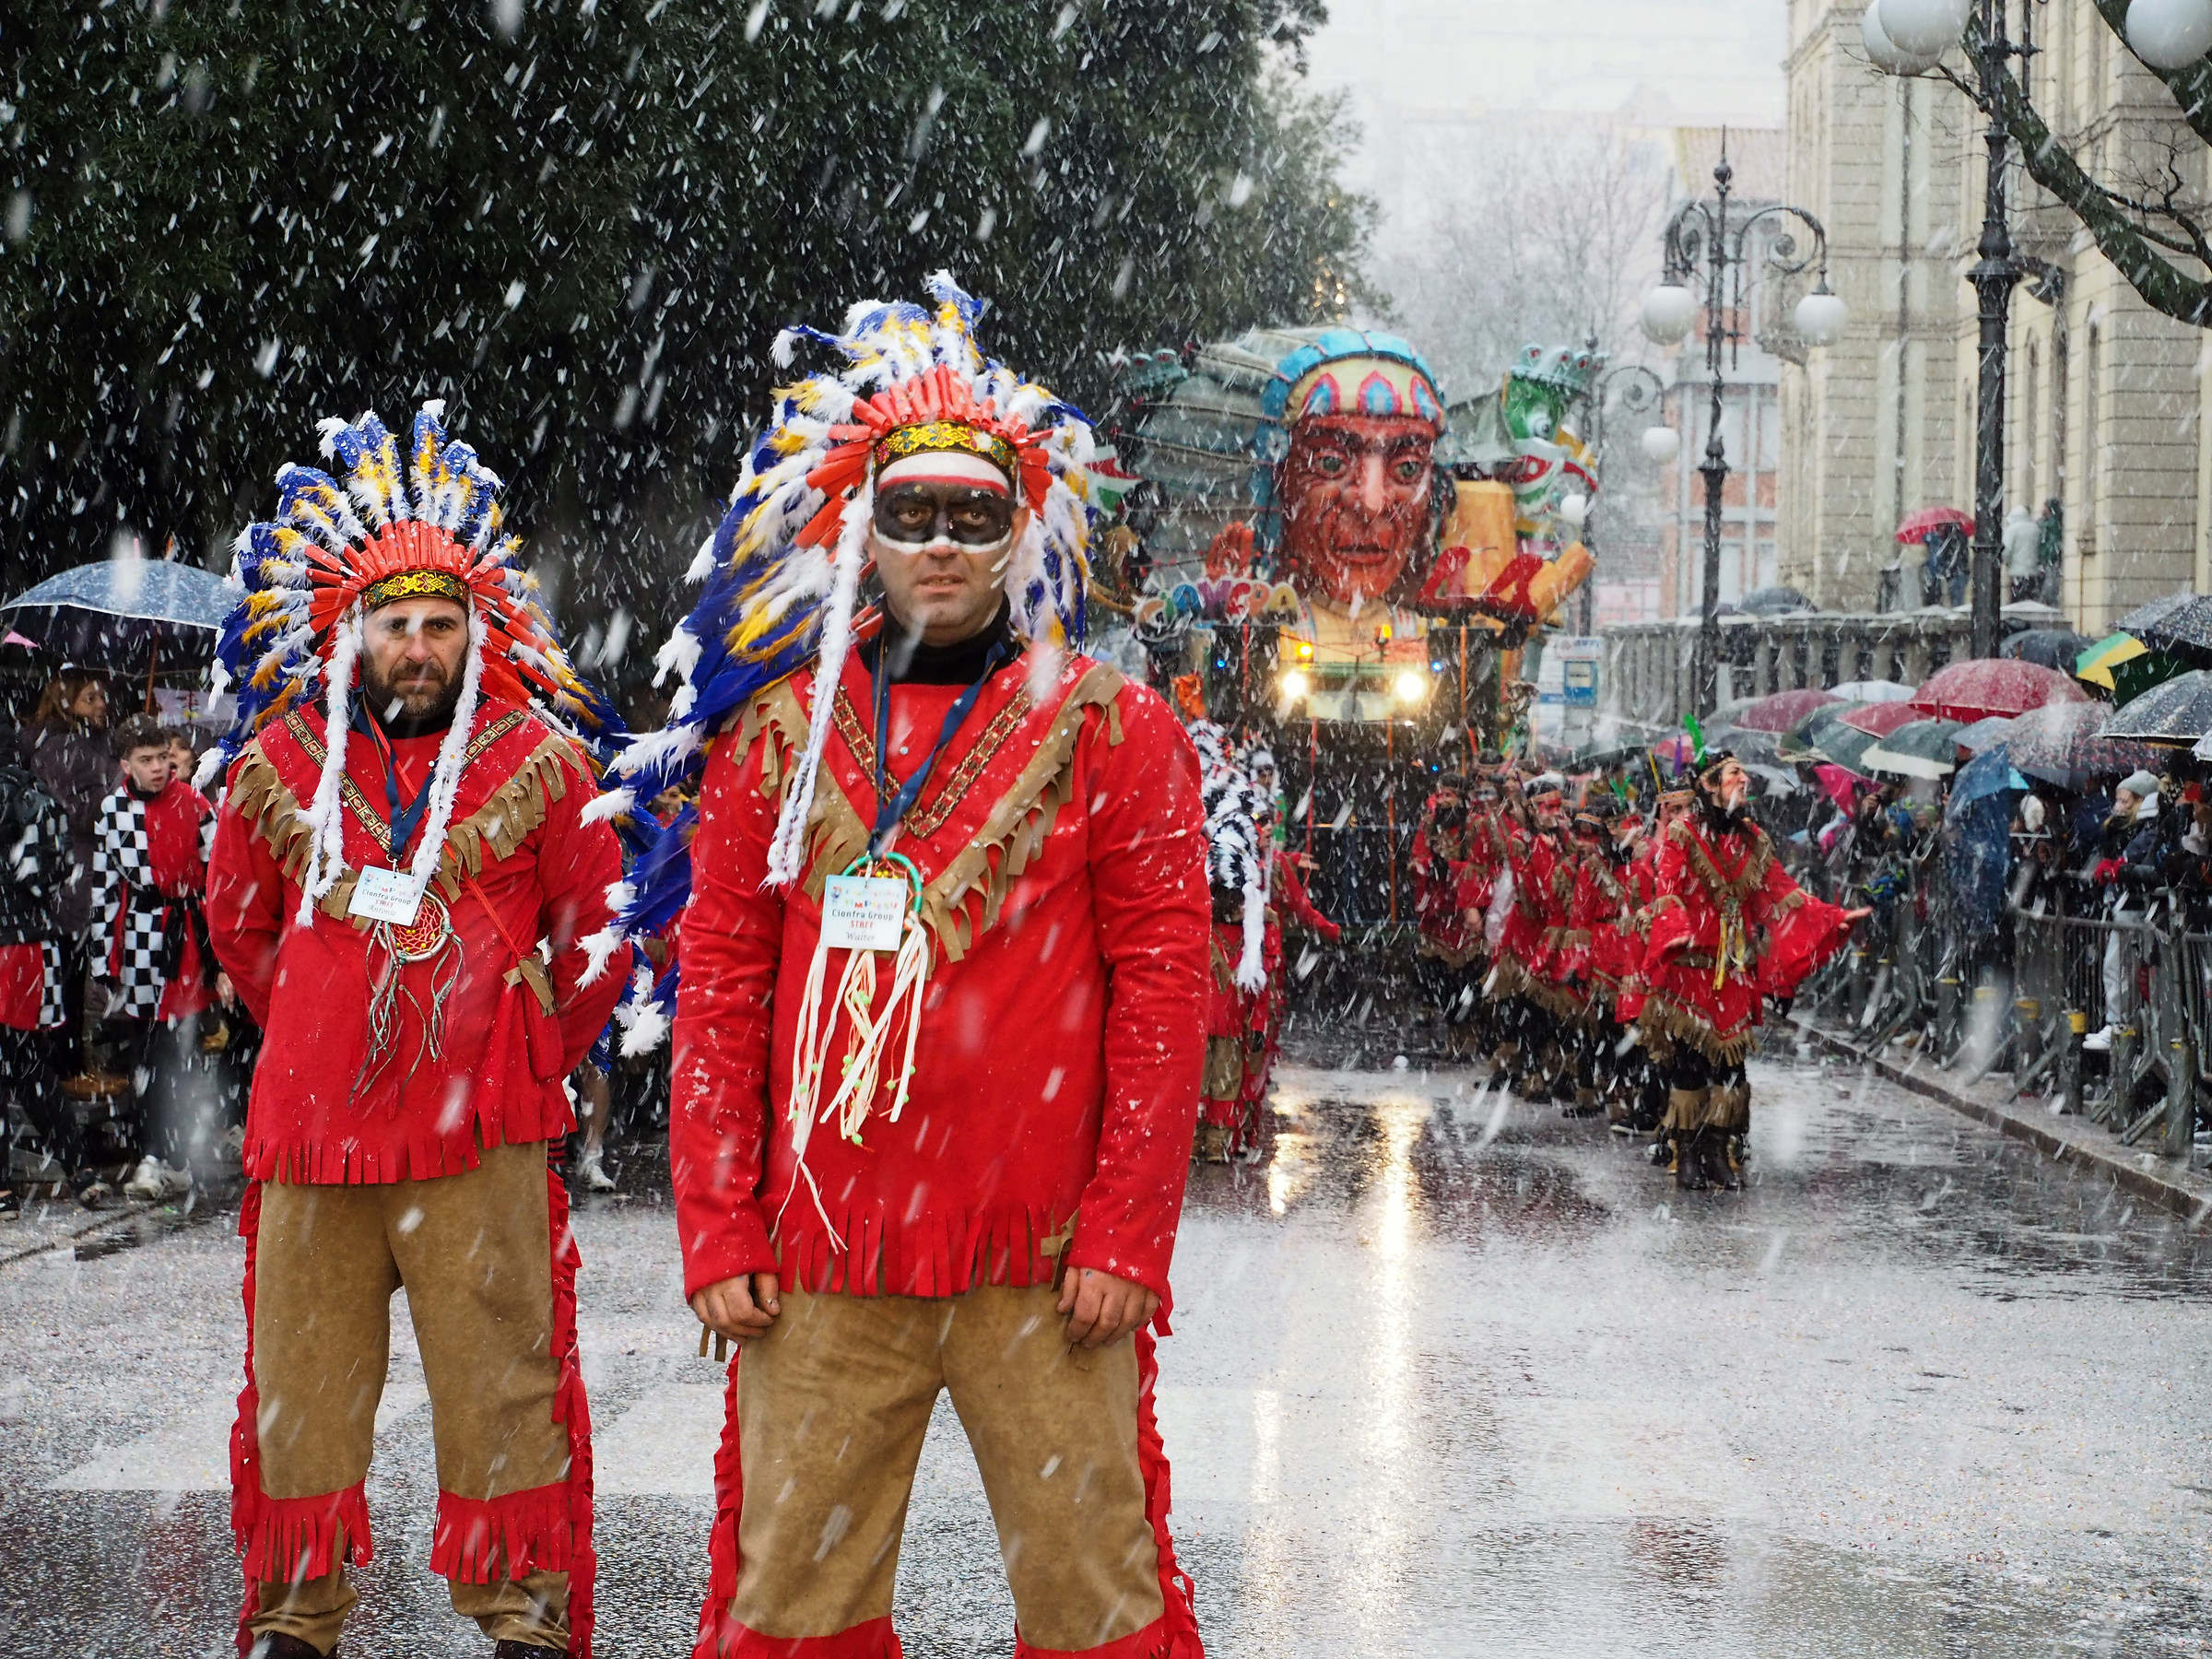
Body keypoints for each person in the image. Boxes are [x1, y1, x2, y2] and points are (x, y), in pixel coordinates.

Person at [610, 276, 1209, 1659]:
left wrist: (1126, 1233)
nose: (941, 548)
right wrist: (717, 1223)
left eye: (975, 517)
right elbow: (723, 980)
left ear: (1024, 531)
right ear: (857, 535)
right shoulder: (773, 735)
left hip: (1047, 1263)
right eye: (911, 516)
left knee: (1094, 1606)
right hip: (822, 1257)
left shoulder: (1119, 734)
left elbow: (1166, 994)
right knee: (796, 1609)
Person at [204, 403, 624, 1659]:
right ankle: (297, 1617)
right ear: (353, 634)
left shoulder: (543, 761)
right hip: (314, 1141)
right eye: (397, 624)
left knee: (503, 1385)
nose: (419, 646)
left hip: (478, 1141)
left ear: (476, 635)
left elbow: (593, 937)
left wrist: (529, 1052)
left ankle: (519, 1614)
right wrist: (321, 1029)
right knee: (301, 1397)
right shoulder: (276, 760)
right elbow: (238, 927)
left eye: (442, 624)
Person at [1640, 753, 1867, 1190]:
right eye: (1733, 774)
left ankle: (1717, 1151)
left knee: (1731, 1071)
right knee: (1689, 1066)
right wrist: (1677, 930)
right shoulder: (1681, 835)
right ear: (1709, 785)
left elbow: (1781, 894)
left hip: (1733, 973)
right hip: (1690, 969)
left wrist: (1830, 918)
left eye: (1743, 773)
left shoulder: (1753, 840)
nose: (1744, 780)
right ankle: (1686, 1154)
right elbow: (1665, 890)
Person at [88, 712, 215, 1200]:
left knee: (177, 1053)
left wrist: (217, 953)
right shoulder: (113, 811)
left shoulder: (196, 803)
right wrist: (103, 959)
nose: (159, 767)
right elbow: (109, 887)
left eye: (163, 757)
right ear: (126, 764)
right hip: (141, 940)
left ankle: (169, 1155)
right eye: (146, 760)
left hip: (186, 939)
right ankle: (154, 1154)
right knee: (146, 1054)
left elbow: (214, 873)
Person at [0, 759, 72, 1208]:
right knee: (28, 1064)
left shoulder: (24, 793)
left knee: (24, 1064)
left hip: (16, 942)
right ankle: (78, 1164)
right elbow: (51, 873)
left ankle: (7, 1181)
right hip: (26, 940)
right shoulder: (31, 789)